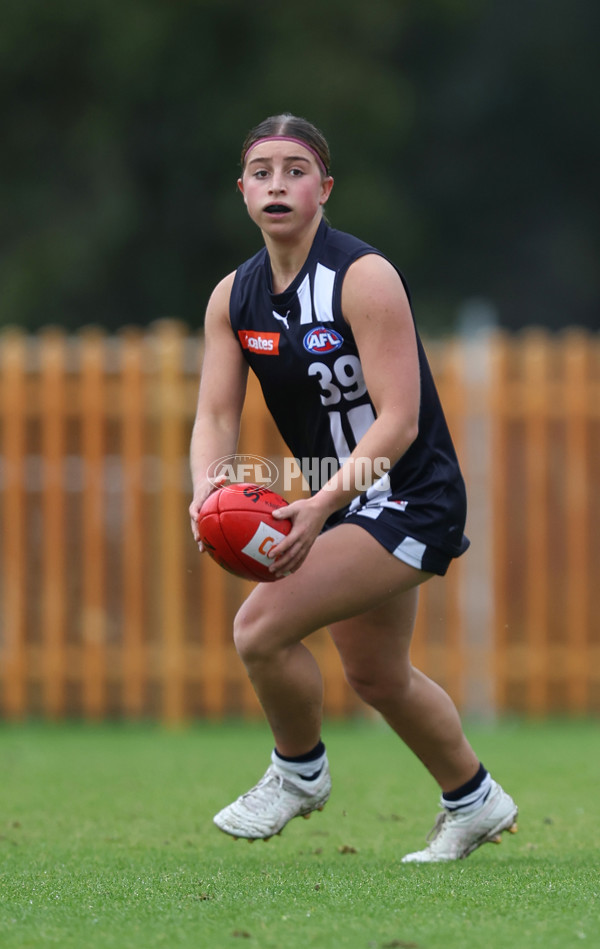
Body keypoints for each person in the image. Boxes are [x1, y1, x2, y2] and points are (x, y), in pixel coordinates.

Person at [189, 113, 518, 862]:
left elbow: (398, 421)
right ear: (241, 190)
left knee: (259, 628)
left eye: (295, 170)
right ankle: (475, 799)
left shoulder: (363, 277)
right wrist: (205, 490)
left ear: (325, 188)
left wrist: (321, 507)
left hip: (409, 495)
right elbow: (213, 413)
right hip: (341, 501)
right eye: (262, 171)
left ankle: (298, 772)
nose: (278, 183)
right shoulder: (233, 299)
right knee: (377, 674)